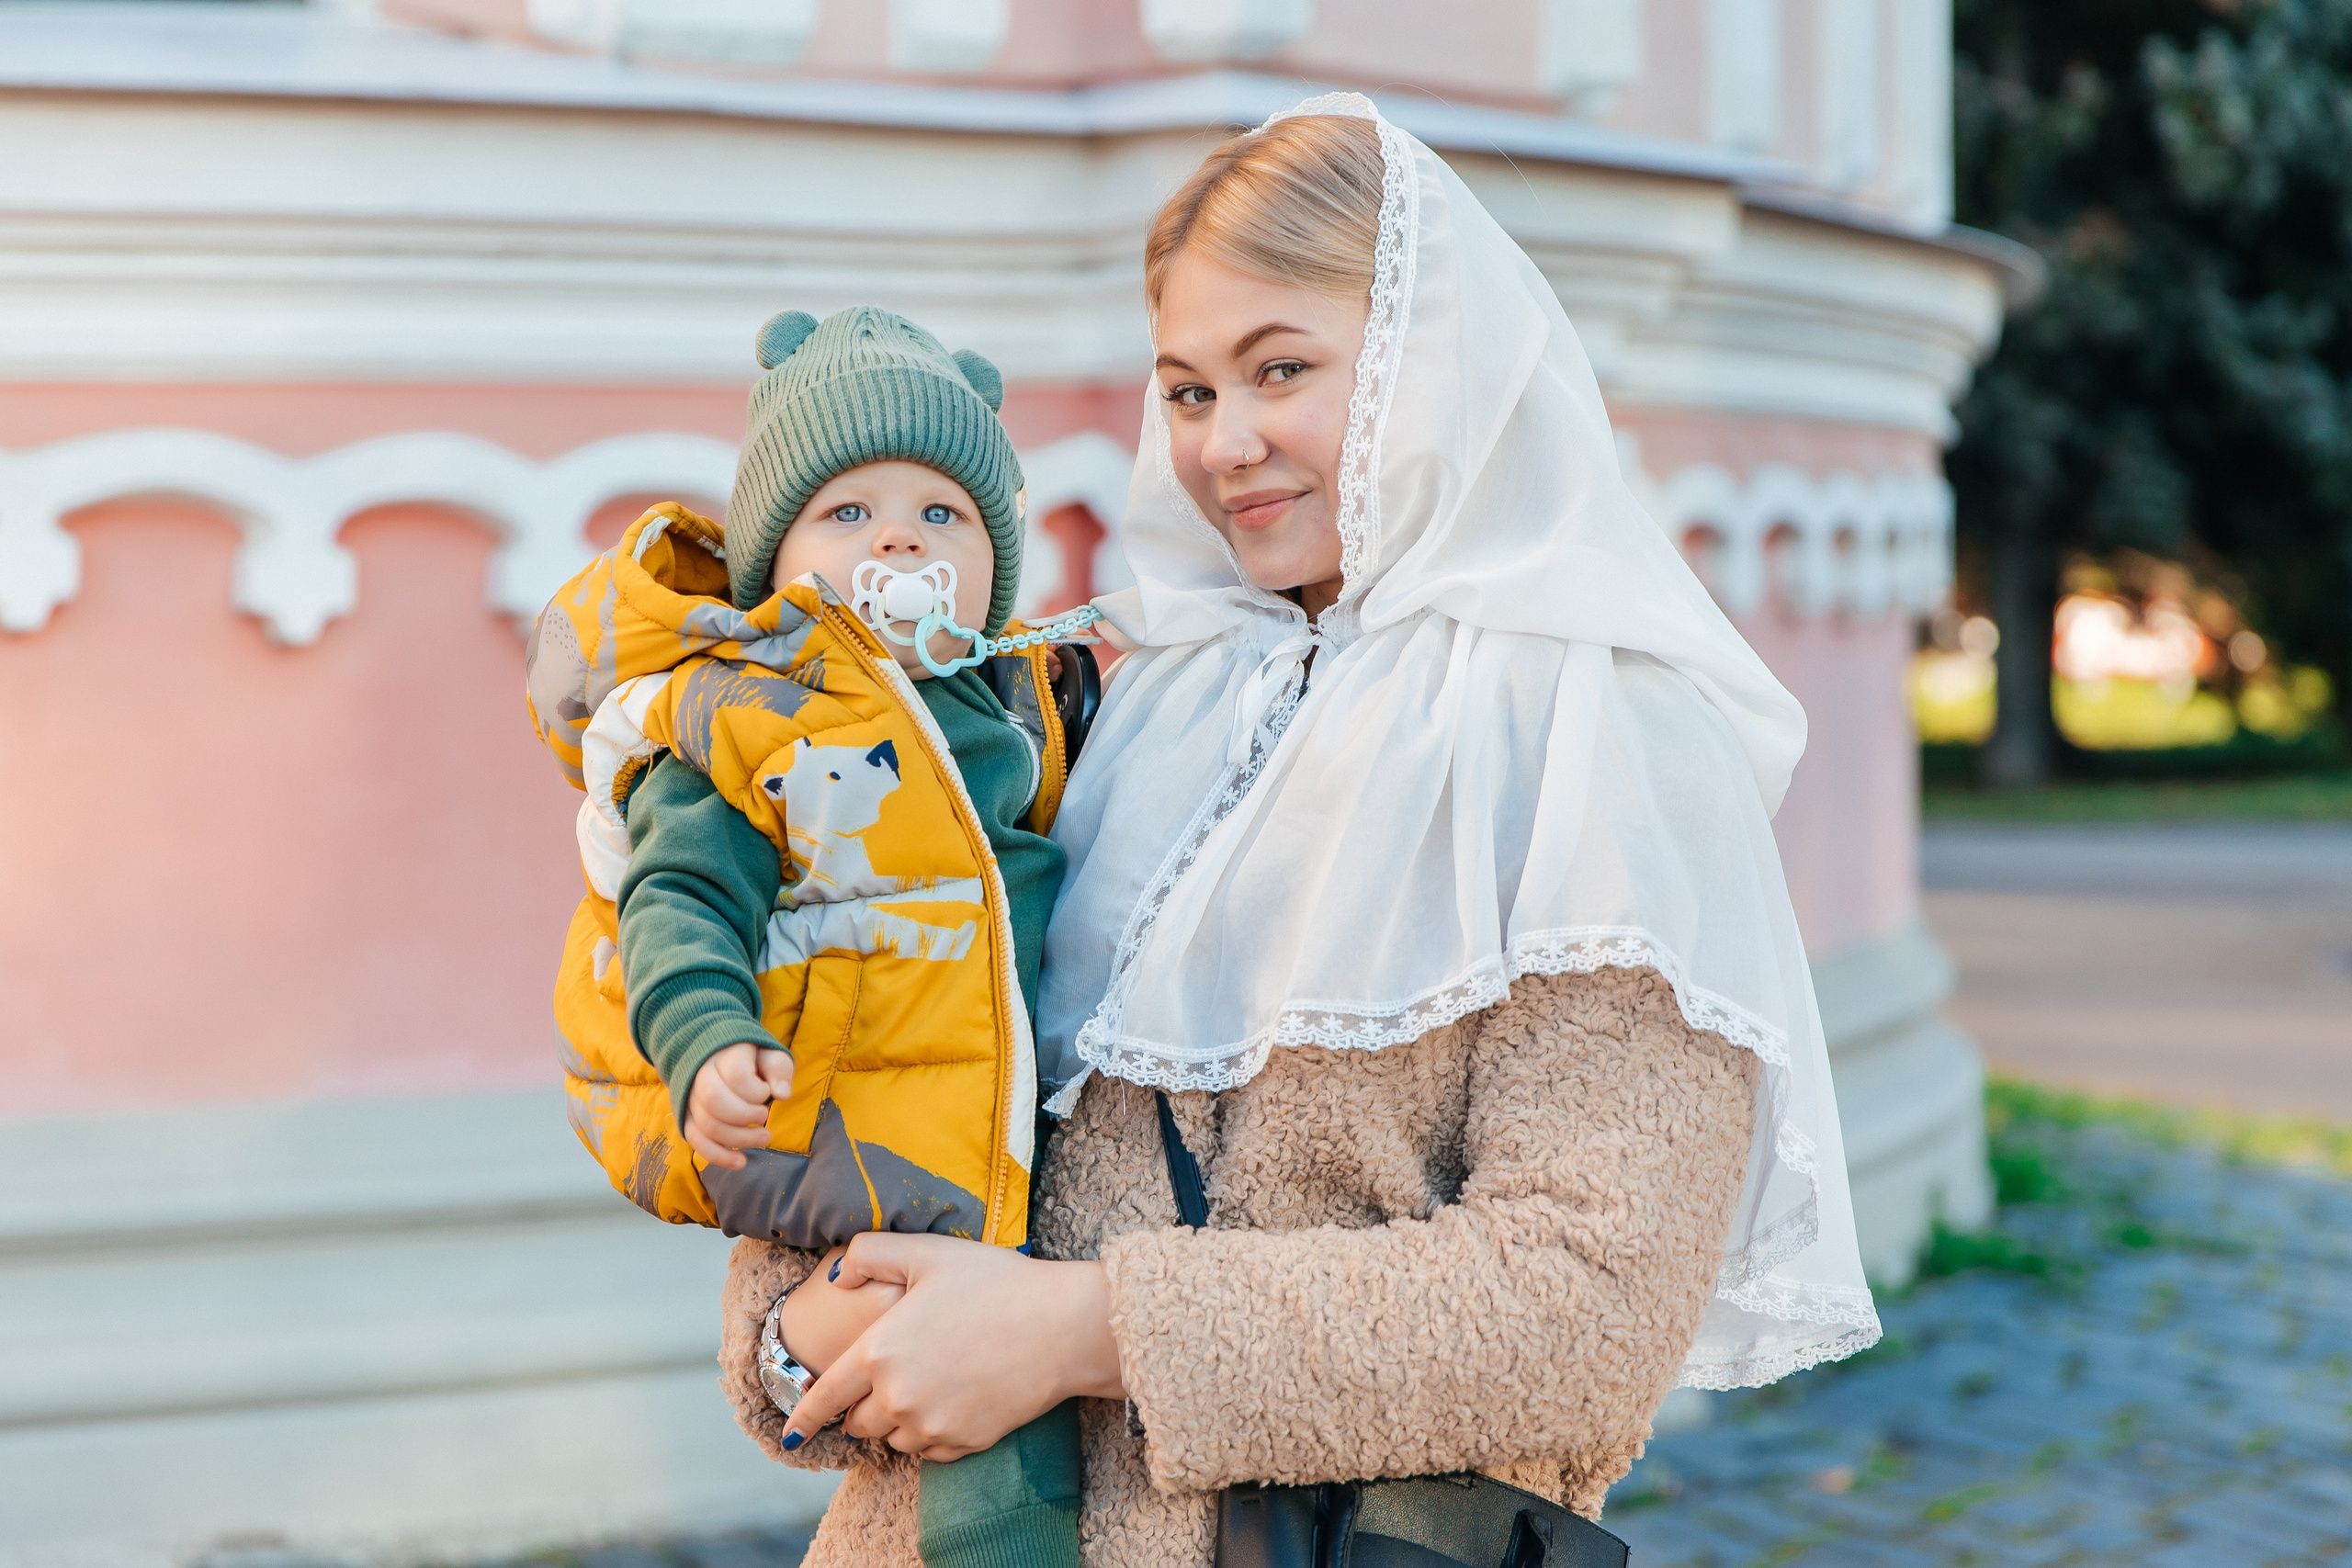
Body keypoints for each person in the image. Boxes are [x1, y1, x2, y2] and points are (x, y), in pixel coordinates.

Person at [713, 97, 1883, 1568]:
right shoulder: (1126, 707)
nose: (1229, 444)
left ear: (1426, 367)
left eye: (1284, 370)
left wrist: (1085, 1332)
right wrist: (794, 1327)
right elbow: (897, 1051)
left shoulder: (1600, 735)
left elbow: (1590, 1302)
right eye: (1189, 391)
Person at [525, 306, 1093, 1568]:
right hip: (876, 1150)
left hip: (1006, 1125)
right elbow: (679, 902)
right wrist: (707, 1043)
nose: (897, 536)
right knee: (998, 1468)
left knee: (1018, 1409)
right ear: (771, 564)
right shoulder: (749, 718)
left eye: (942, 515)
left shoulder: (1015, 709)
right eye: (848, 515)